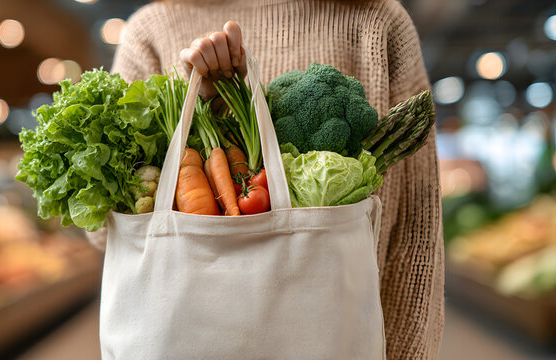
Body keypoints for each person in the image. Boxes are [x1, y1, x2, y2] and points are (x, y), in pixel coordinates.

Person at [94, 0, 444, 358]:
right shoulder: (151, 29)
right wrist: (206, 113)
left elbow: (416, 237)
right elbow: (105, 230)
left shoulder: (376, 20)